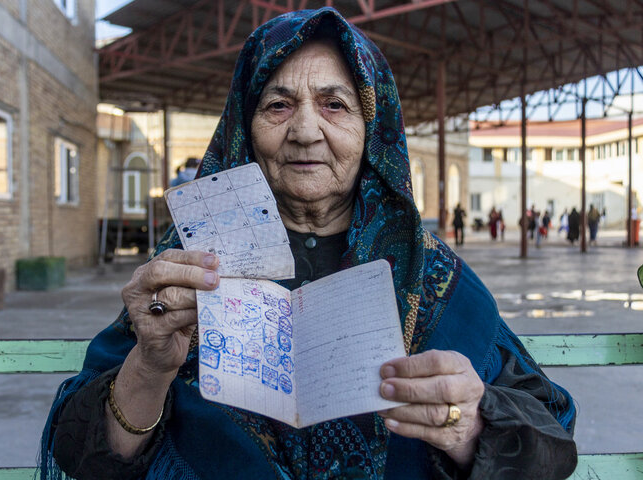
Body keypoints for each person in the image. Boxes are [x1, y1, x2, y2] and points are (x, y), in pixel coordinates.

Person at [40, 8, 577, 480]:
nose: (304, 130)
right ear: (244, 127)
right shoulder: (185, 267)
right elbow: (85, 455)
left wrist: (470, 424)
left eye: (335, 105)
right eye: (278, 104)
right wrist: (150, 365)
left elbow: (551, 436)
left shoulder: (428, 274)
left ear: (372, 128)